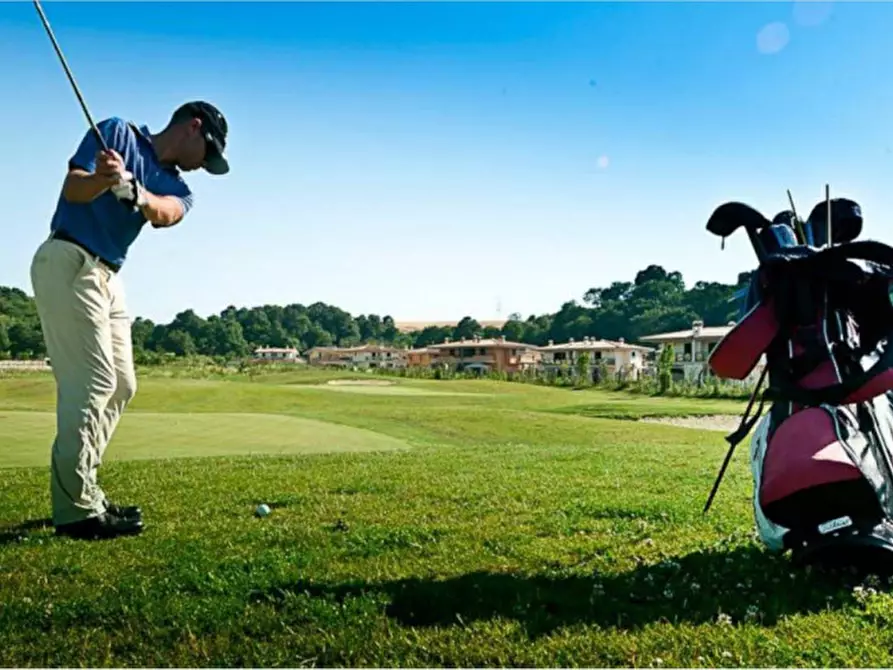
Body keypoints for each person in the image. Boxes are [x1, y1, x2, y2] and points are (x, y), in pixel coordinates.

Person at [29, 101, 230, 540]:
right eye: (208, 152)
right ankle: (77, 509)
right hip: (69, 258)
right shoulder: (116, 133)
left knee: (122, 385)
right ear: (193, 127)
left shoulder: (177, 186)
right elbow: (73, 190)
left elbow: (166, 213)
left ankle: (84, 490)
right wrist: (105, 179)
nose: (204, 166)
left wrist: (135, 191)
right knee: (94, 383)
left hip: (108, 274)